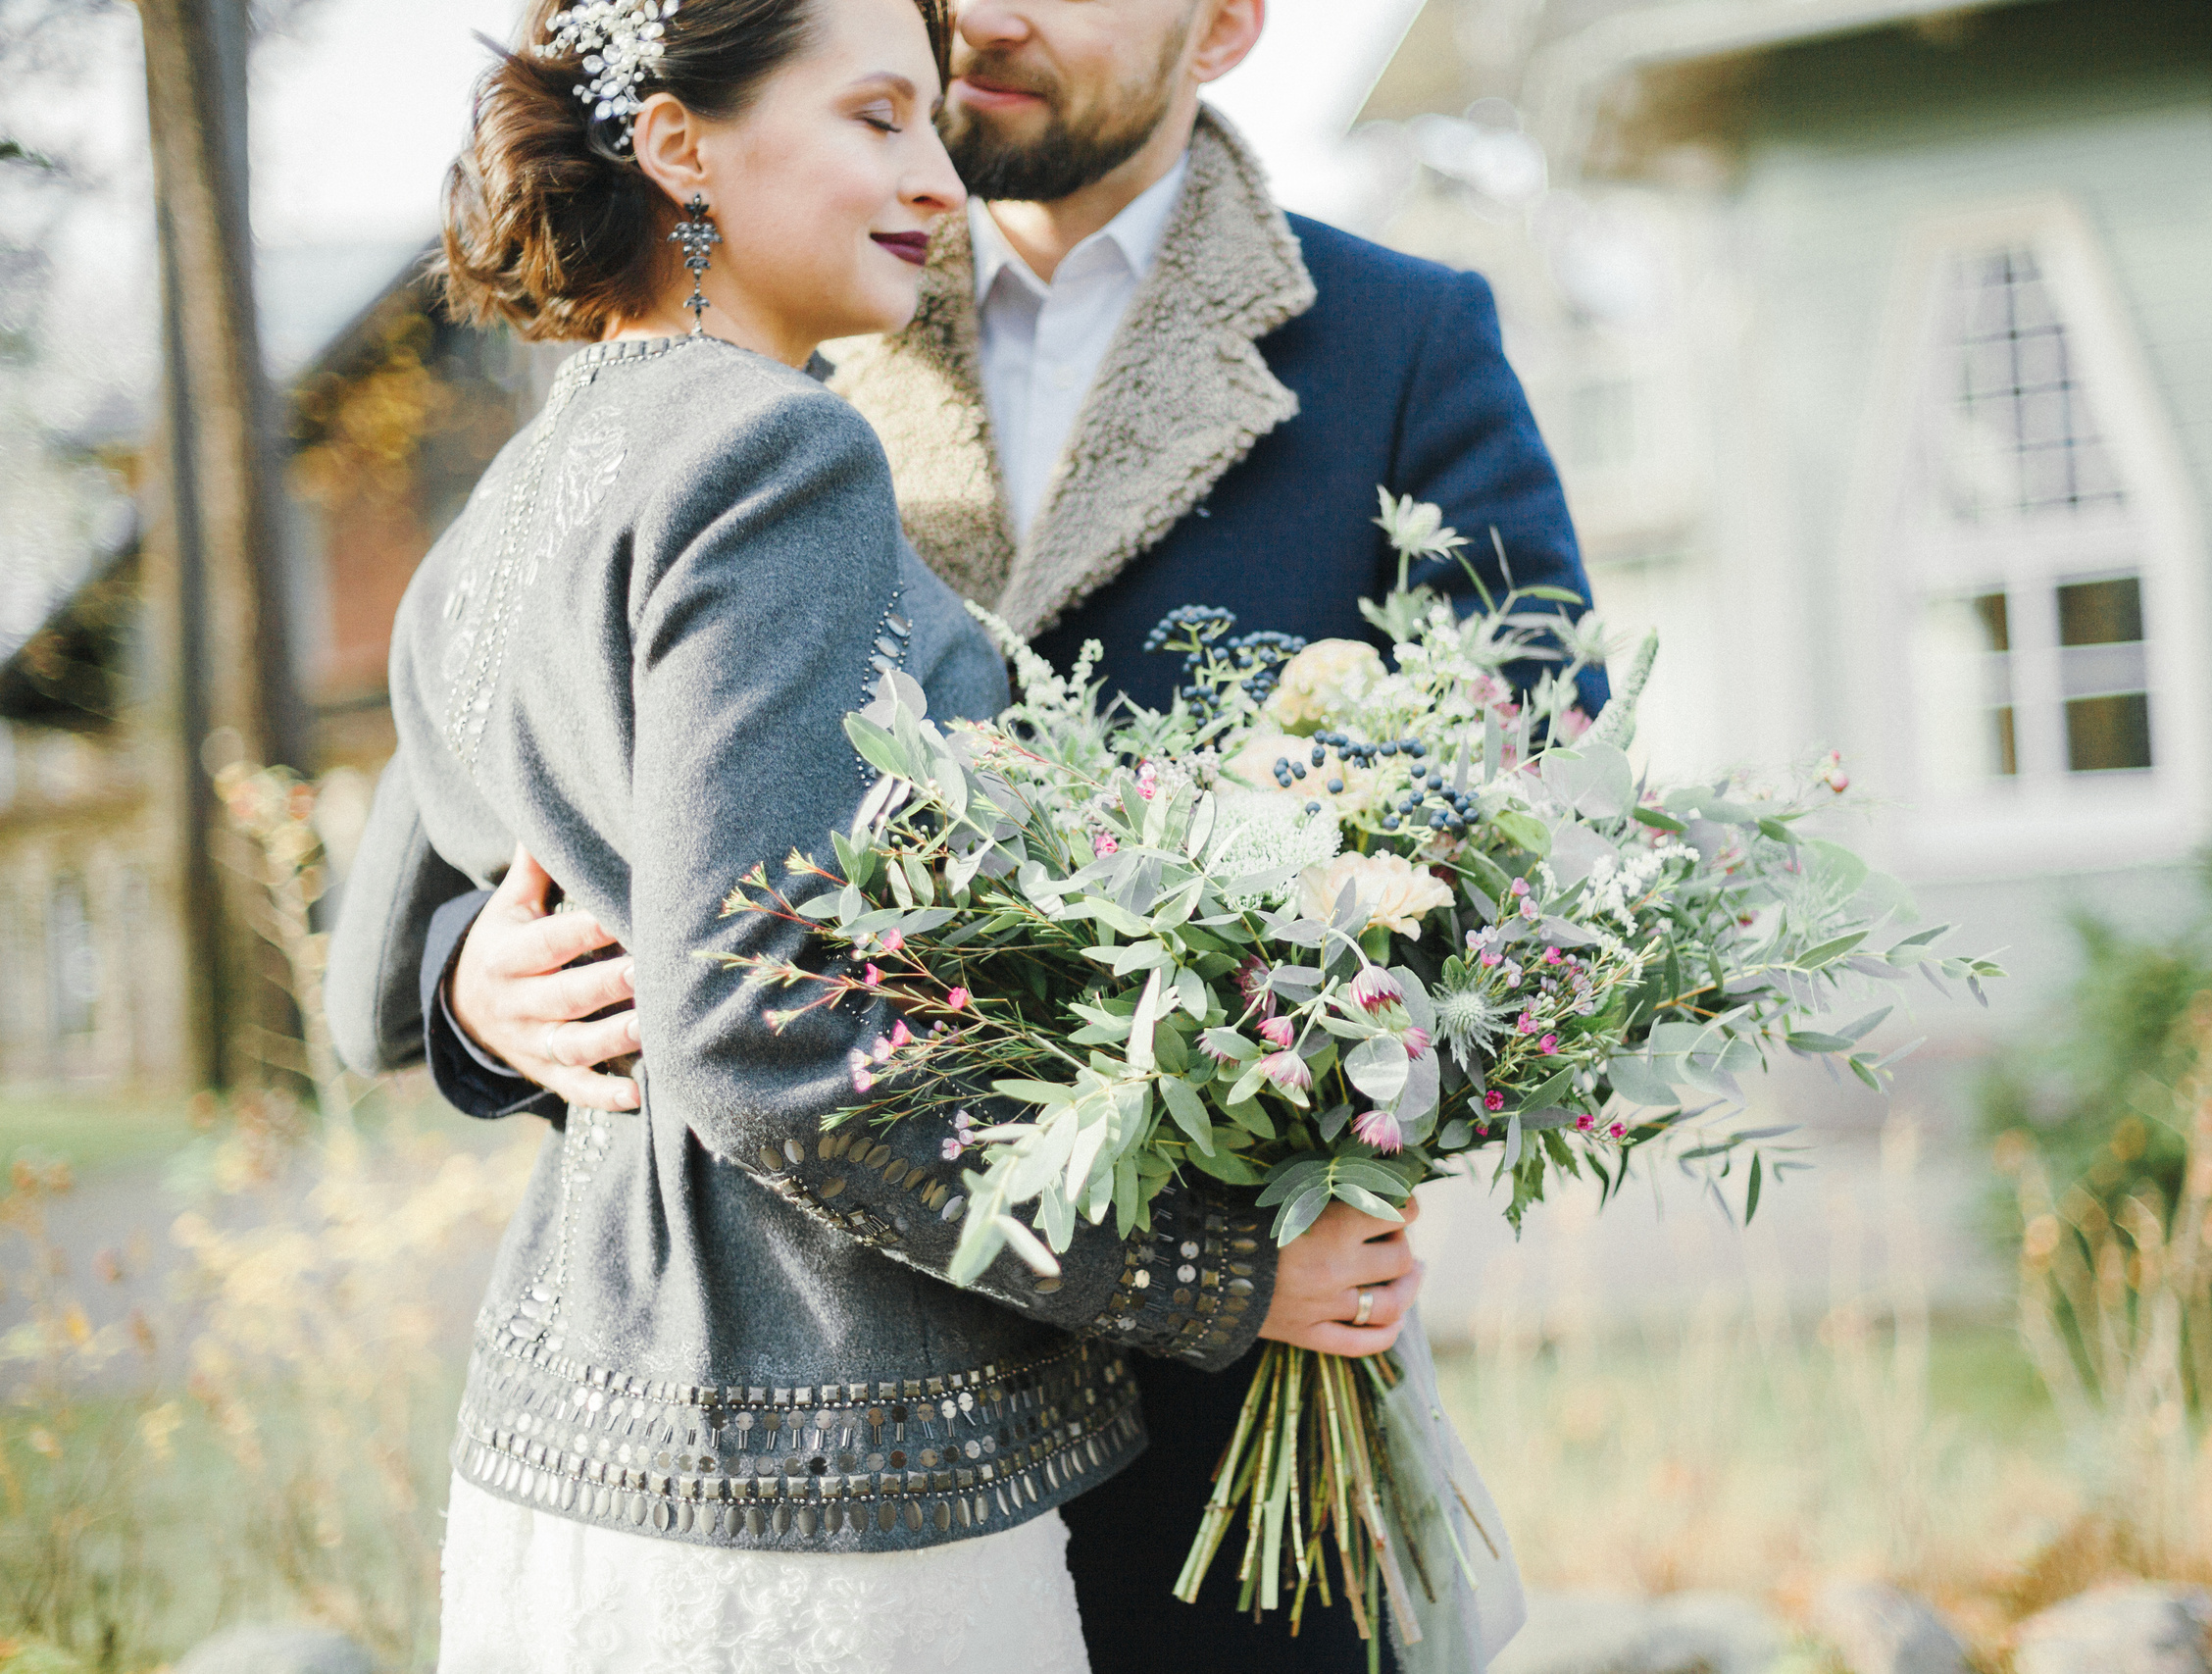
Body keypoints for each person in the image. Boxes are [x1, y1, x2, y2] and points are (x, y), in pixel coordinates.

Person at [401, 0, 1595, 1664]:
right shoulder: (781, 348)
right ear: (687, 147)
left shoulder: (1398, 339)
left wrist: (1355, 1044)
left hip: (1227, 1399)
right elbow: (517, 876)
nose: (994, 21)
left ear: (1228, 25)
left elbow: (1533, 781)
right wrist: (481, 981)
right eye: (883, 101)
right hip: (829, 1394)